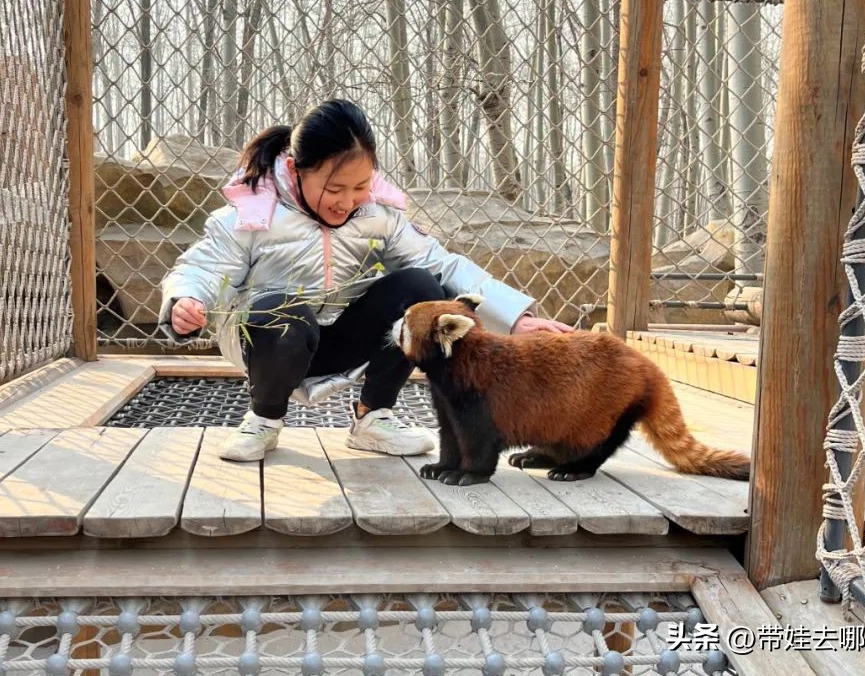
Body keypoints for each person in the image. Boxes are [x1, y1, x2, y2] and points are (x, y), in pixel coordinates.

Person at [160, 98, 572, 461]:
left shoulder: (378, 216)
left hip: (343, 338)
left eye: (360, 186)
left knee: (421, 289)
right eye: (334, 188)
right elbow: (202, 268)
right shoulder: (251, 214)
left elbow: (442, 265)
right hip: (272, 344)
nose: (347, 201)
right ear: (294, 169)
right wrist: (184, 300)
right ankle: (263, 419)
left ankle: (373, 416)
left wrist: (515, 319)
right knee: (277, 310)